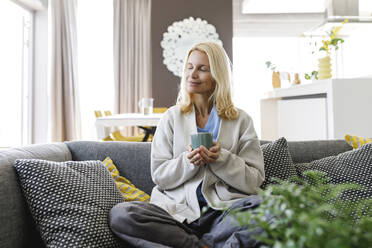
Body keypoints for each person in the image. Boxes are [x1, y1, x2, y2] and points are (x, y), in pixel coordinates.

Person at [109, 42, 266, 248]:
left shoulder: (241, 120)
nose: (192, 75)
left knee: (274, 209)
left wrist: (222, 159)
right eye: (189, 67)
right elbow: (160, 176)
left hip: (224, 213)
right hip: (176, 213)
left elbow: (254, 182)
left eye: (202, 69)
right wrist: (188, 162)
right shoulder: (171, 118)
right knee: (122, 215)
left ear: (218, 74)